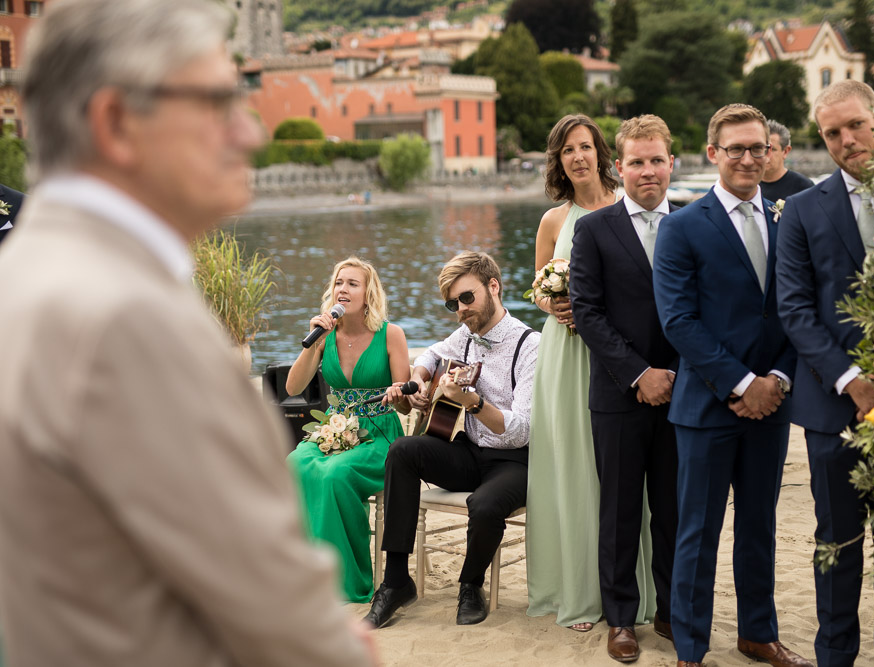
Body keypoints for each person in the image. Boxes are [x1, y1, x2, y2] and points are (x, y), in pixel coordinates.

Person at [0, 0, 375, 664]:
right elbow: (269, 598)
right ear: (116, 121)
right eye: (215, 102)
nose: (249, 134)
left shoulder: (28, 272)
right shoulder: (127, 316)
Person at [654, 104, 810, 667]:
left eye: (758, 148)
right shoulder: (681, 226)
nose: (748, 158)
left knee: (759, 527)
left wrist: (778, 379)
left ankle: (757, 633)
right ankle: (691, 649)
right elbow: (678, 321)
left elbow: (797, 310)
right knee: (697, 533)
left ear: (771, 153)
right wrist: (741, 383)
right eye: (736, 148)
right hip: (707, 407)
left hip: (773, 403)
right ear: (713, 153)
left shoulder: (788, 219)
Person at [775, 80, 874, 667]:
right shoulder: (804, 208)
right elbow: (794, 308)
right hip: (832, 406)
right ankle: (834, 657)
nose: (846, 140)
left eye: (855, 125)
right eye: (832, 132)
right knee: (836, 540)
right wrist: (852, 382)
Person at [526, 114, 659, 634]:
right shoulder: (553, 221)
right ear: (558, 162)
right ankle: (580, 590)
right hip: (566, 353)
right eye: (566, 151)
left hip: (620, 351)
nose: (577, 157)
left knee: (621, 473)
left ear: (601, 153)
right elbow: (536, 286)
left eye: (584, 147)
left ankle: (633, 590)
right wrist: (552, 303)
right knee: (575, 467)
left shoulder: (626, 206)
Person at [365, 251, 539, 629]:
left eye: (466, 298)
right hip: (470, 451)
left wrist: (473, 403)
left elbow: (522, 429)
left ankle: (470, 585)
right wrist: (420, 379)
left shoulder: (531, 345)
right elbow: (430, 353)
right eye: (451, 303)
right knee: (403, 451)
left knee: (486, 503)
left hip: (515, 460)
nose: (460, 310)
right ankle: (396, 581)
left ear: (494, 287)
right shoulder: (465, 333)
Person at [570, 114, 680, 663]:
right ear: (620, 166)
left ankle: (670, 610)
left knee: (674, 509)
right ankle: (620, 619)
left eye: (656, 159)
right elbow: (587, 313)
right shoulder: (594, 229)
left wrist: (677, 376)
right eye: (636, 161)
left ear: (672, 163)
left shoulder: (691, 225)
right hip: (618, 394)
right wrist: (640, 374)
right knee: (619, 511)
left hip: (685, 394)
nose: (647, 170)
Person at [285, 256, 411, 602]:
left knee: (335, 476)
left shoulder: (391, 335)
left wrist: (397, 394)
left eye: (353, 283)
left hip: (379, 433)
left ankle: (346, 581)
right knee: (293, 465)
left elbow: (406, 402)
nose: (343, 288)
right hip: (335, 427)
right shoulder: (325, 335)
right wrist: (313, 342)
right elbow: (294, 388)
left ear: (368, 294)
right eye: (339, 282)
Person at [760, 120, 814, 203]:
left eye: (772, 149)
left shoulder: (804, 188)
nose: (765, 155)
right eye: (760, 149)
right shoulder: (746, 186)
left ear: (785, 151)